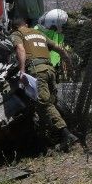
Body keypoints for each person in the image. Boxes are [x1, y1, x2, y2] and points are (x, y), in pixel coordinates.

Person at [11, 17, 76, 151]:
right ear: (27, 24)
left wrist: (22, 71)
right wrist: (69, 65)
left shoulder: (17, 34)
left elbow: (20, 49)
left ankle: (66, 135)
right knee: (51, 102)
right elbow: (60, 49)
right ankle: (55, 137)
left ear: (14, 27)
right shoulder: (39, 34)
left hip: (36, 71)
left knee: (44, 104)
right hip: (50, 70)